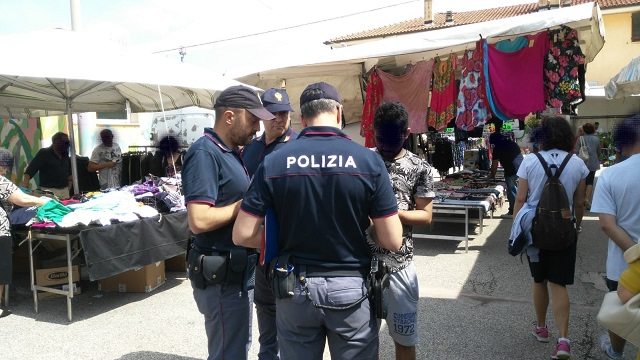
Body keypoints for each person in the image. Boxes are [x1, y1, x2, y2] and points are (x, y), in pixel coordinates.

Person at [232, 82, 403, 359]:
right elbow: (393, 240)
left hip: (293, 287)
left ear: (302, 118)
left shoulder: (275, 162)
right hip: (350, 287)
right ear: (339, 112)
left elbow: (241, 234)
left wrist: (282, 237)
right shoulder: (368, 162)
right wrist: (364, 229)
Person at [181, 84, 273, 360]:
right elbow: (198, 219)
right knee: (228, 354)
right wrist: (245, 206)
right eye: (253, 119)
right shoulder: (205, 153)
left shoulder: (230, 151)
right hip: (220, 276)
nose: (257, 128)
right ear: (230, 117)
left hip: (234, 273)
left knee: (235, 348)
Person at [513, 116, 588, 360]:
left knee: (539, 281)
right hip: (564, 229)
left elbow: (521, 199)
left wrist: (516, 227)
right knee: (559, 283)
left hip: (535, 230)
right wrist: (575, 228)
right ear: (567, 137)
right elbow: (579, 203)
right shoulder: (577, 164)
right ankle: (564, 340)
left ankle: (542, 328)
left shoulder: (530, 161)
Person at [370, 102, 434, 360]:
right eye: (379, 137)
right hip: (362, 264)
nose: (383, 145)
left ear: (407, 133)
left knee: (405, 339)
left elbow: (426, 215)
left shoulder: (420, 167)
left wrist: (388, 213)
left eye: (391, 138)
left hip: (400, 266)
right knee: (361, 340)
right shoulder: (364, 160)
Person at [240, 87, 297, 360]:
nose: (279, 119)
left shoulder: (297, 149)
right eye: (273, 113)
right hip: (255, 244)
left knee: (291, 311)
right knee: (264, 307)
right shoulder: (250, 149)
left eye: (284, 112)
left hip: (285, 245)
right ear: (262, 116)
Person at [591, 114, 640, 360]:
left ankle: (616, 352)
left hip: (623, 264)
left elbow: (608, 225)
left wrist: (637, 257)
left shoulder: (611, 175)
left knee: (621, 311)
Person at [0, 148, 51, 318]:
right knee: (1, 269)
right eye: (5, 166)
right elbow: (21, 199)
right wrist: (42, 201)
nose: (6, 170)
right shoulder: (1, 181)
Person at [21, 132, 72, 199]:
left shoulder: (65, 154)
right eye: (63, 141)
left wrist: (69, 187)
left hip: (65, 190)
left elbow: (69, 172)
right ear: (55, 142)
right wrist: (25, 185)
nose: (66, 144)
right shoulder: (44, 153)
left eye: (67, 141)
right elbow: (30, 170)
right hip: (50, 191)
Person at [489, 127, 524, 219]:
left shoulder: (498, 147)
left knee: (512, 190)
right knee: (519, 189)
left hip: (511, 169)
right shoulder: (512, 143)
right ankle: (520, 210)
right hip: (522, 168)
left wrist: (492, 176)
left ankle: (513, 211)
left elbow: (494, 165)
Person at [573, 122, 600, 210]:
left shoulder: (580, 139)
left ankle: (581, 198)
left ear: (584, 130)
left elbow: (576, 151)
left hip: (582, 163)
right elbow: (598, 152)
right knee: (590, 181)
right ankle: (587, 200)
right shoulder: (596, 139)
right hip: (593, 162)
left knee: (583, 181)